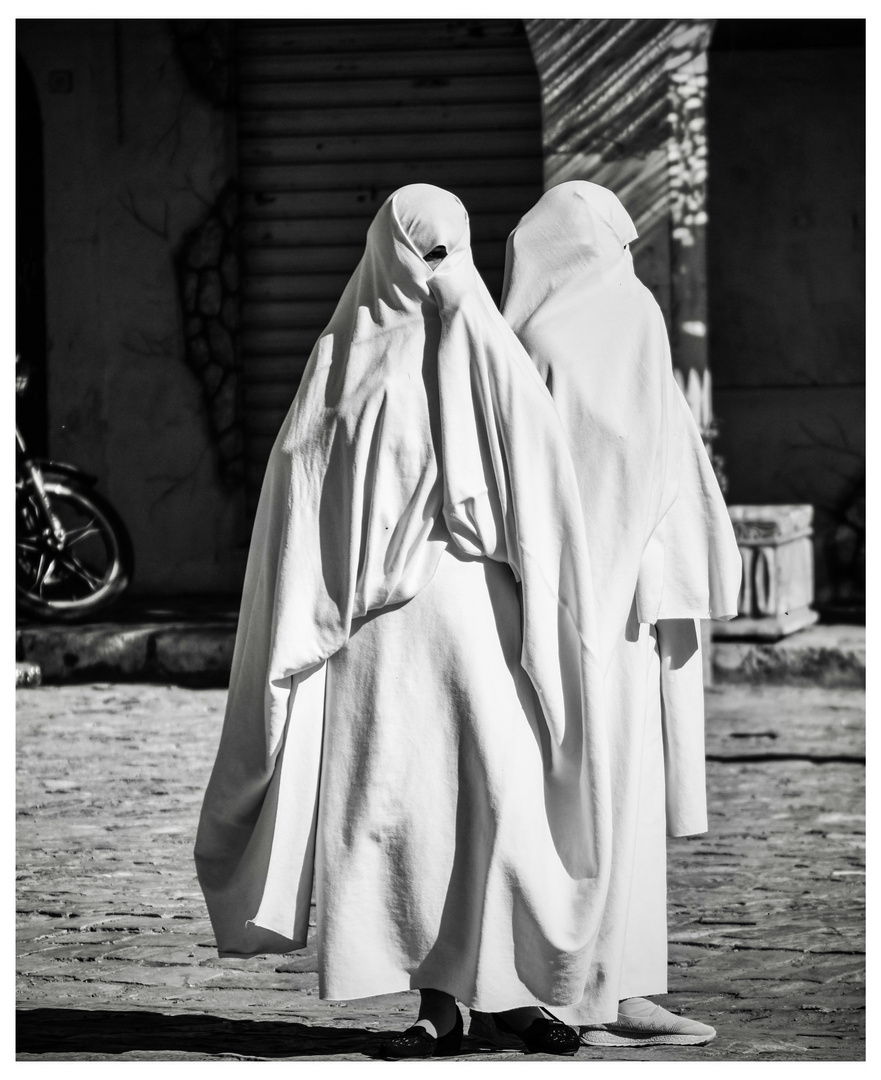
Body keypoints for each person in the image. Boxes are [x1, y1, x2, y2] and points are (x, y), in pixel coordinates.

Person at [194, 184, 616, 1058]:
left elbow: (542, 493)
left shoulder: (488, 349)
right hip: (379, 633)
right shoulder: (341, 360)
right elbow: (303, 493)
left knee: (500, 797)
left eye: (449, 254)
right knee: (407, 810)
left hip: (484, 615)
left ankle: (501, 992)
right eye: (421, 255)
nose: (435, 275)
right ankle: (438, 1001)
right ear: (387, 252)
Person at [491, 180, 742, 1047]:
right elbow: (665, 459)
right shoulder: (622, 319)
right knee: (610, 800)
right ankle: (597, 992)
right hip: (627, 606)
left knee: (558, 800)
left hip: (545, 604)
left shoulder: (514, 340)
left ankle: (593, 989)